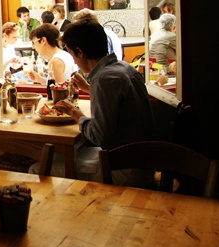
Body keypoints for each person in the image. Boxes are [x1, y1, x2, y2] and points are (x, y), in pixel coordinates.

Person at [36, 19, 155, 186]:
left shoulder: (104, 79)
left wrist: (74, 113)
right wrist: (88, 88)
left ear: (80, 52)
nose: (74, 61)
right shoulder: (124, 68)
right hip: (143, 162)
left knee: (37, 169)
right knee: (56, 157)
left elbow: (99, 137)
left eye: (72, 54)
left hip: (125, 170)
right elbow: (117, 103)